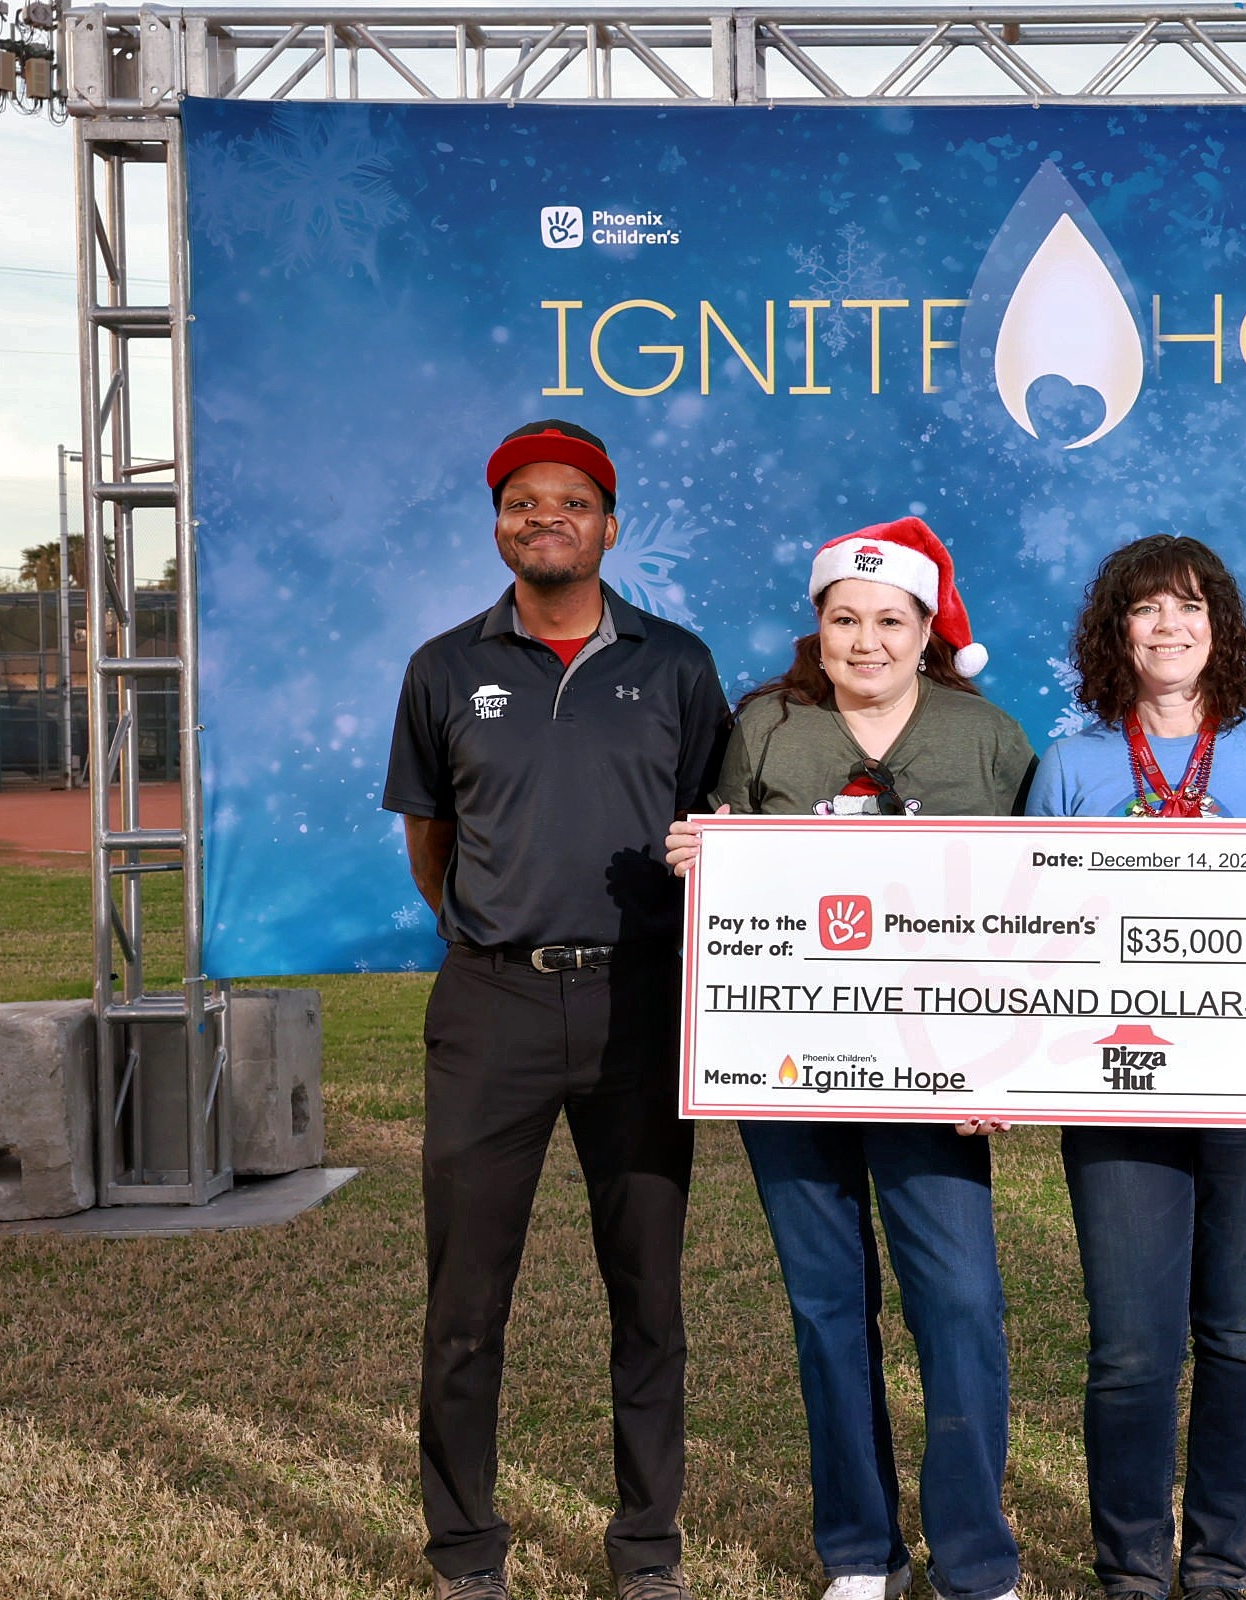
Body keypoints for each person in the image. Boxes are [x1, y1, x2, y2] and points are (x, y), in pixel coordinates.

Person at [382, 419, 735, 1600]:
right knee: (466, 1298)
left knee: (647, 1292)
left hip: (643, 998)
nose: (546, 519)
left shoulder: (676, 664)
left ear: (610, 526)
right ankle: (465, 1552)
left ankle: (647, 1548)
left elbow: (713, 830)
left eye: (571, 502)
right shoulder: (444, 667)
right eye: (522, 501)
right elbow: (431, 840)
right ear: (498, 525)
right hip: (495, 1003)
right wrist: (493, 926)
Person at [664, 517, 1033, 1600]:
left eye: (889, 621)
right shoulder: (768, 728)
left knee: (958, 1303)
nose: (865, 641)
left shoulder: (987, 738)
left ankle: (975, 1558)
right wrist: (698, 856)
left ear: (926, 633)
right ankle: (862, 1552)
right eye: (844, 620)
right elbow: (732, 889)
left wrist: (1006, 1064)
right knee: (827, 1306)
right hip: (792, 1064)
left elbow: (1038, 908)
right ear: (817, 630)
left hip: (935, 1069)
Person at [1025, 535, 1246, 1600]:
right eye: (1145, 609)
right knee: (1131, 1344)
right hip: (1119, 1076)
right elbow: (1031, 933)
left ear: (1220, 626)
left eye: (1189, 607)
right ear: (1115, 631)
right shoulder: (1072, 765)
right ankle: (1131, 1565)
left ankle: (1217, 1562)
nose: (1168, 626)